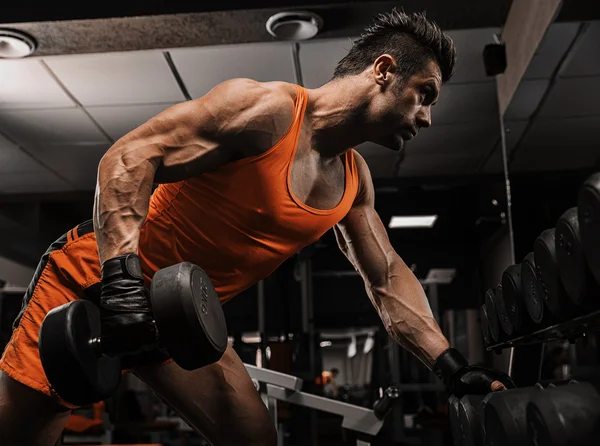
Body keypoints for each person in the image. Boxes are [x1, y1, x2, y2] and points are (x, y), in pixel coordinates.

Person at [0, 8, 514, 446]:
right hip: (92, 283)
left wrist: (450, 367)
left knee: (252, 437)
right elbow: (129, 157)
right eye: (424, 93)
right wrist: (120, 281)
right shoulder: (267, 111)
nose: (425, 117)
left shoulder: (354, 183)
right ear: (383, 70)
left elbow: (386, 278)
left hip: (179, 316)